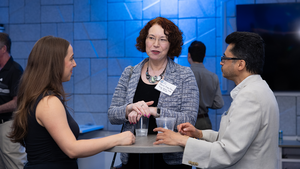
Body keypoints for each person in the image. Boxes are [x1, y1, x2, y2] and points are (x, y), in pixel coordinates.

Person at [154, 31, 279, 169]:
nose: (221, 62)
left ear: (240, 64)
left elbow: (227, 152)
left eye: (225, 58)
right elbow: (232, 138)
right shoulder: (258, 89)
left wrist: (182, 140)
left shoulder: (250, 97)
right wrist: (199, 133)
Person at [8, 36, 135, 169]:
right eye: (71, 58)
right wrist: (119, 138)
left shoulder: (38, 97)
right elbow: (72, 149)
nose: (74, 64)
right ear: (55, 63)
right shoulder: (48, 102)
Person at [108, 17, 199, 169]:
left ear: (171, 45)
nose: (156, 44)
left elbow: (189, 119)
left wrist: (154, 111)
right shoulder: (130, 73)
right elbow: (112, 115)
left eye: (163, 39)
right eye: (151, 38)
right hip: (133, 158)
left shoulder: (184, 75)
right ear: (145, 40)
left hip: (170, 160)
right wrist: (129, 108)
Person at [0, 33, 27, 169]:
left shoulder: (15, 70)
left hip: (9, 124)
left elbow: (17, 103)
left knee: (14, 165)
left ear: (3, 49)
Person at [188, 40, 224, 130]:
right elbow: (219, 104)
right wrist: (206, 102)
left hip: (186, 122)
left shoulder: (181, 75)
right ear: (204, 56)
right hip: (204, 121)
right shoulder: (213, 76)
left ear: (189, 55)